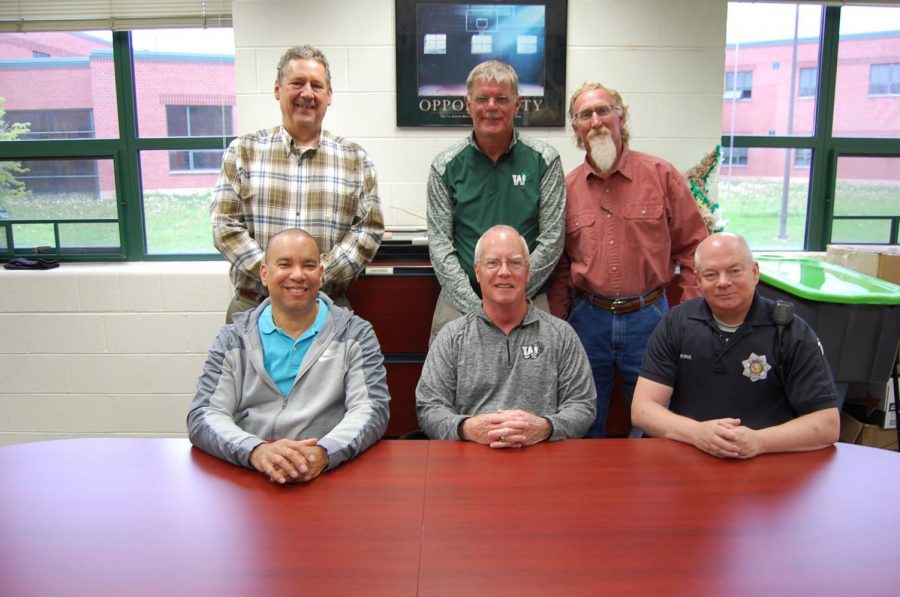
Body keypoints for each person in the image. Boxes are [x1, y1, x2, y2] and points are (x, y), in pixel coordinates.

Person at [548, 82, 708, 438]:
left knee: (656, 425)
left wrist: (691, 318)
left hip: (650, 319)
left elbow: (696, 250)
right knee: (583, 421)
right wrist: (560, 328)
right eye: (585, 115)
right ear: (576, 128)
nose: (596, 121)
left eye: (604, 110)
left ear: (621, 118)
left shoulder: (661, 176)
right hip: (587, 321)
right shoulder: (566, 188)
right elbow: (559, 268)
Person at [188, 228, 390, 484]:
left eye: (309, 265)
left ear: (321, 274)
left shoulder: (356, 334)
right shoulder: (233, 338)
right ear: (264, 273)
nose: (297, 275)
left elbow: (372, 410)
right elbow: (204, 415)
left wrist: (324, 452)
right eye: (284, 264)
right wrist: (256, 451)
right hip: (252, 475)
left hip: (327, 474)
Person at [212, 45, 384, 323]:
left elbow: (368, 231)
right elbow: (225, 226)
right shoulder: (242, 152)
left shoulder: (355, 159)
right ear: (278, 89)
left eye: (317, 86)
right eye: (297, 83)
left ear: (329, 96)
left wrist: (319, 273)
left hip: (328, 309)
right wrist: (272, 274)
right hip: (253, 308)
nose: (307, 93)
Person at [631, 233, 840, 459]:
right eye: (711, 274)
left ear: (755, 272)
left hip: (766, 463)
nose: (723, 282)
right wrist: (696, 433)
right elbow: (643, 410)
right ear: (699, 282)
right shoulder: (677, 323)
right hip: (688, 457)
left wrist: (759, 442)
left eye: (734, 271)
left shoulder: (790, 331)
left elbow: (827, 424)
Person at [416, 225, 596, 446]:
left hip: (543, 461)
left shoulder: (561, 335)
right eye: (492, 263)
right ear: (477, 272)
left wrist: (545, 427)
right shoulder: (451, 338)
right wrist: (467, 428)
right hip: (471, 463)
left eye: (515, 262)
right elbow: (428, 408)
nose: (504, 272)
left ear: (528, 272)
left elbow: (583, 405)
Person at [427, 60, 565, 342]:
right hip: (460, 301)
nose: (492, 106)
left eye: (502, 98)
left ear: (517, 105)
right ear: (468, 104)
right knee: (451, 382)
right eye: (482, 98)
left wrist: (509, 294)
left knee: (536, 382)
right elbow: (440, 245)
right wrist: (479, 306)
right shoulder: (444, 166)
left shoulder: (545, 161)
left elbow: (552, 240)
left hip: (528, 297)